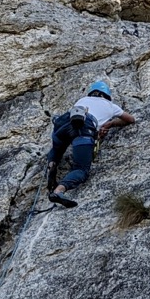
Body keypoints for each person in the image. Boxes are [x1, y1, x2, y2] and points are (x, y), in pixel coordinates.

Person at [47, 79, 136, 208]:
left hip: (64, 122)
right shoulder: (111, 106)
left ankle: (52, 163)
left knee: (57, 149)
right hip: (84, 127)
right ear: (107, 95)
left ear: (91, 92)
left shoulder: (83, 100)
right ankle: (58, 191)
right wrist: (111, 123)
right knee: (81, 169)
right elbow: (130, 119)